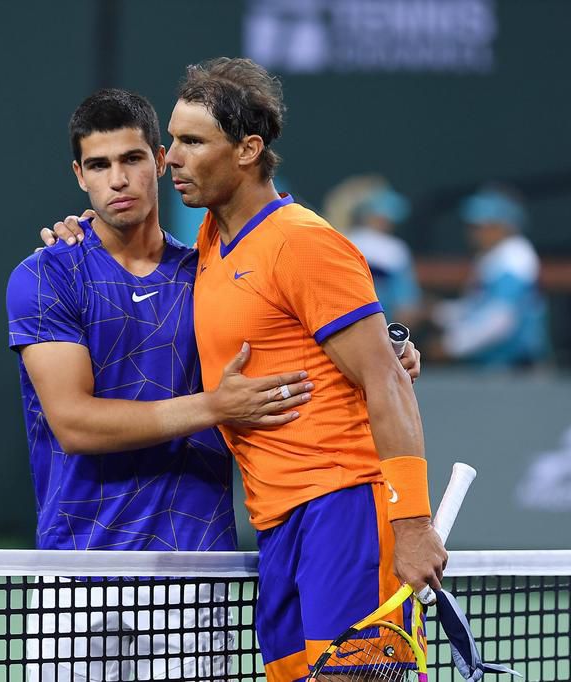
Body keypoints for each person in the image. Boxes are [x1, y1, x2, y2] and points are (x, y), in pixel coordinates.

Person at [167, 57, 443, 681]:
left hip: (345, 509)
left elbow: (387, 382)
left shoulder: (302, 241)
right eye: (172, 141)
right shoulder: (213, 238)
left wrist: (414, 524)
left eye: (192, 142)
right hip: (279, 522)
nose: (171, 158)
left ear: (248, 149)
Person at [429, 186, 547, 369]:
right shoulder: (491, 257)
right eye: (473, 227)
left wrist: (451, 345)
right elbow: (475, 307)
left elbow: (499, 319)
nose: (474, 233)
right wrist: (436, 312)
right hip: (492, 367)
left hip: (516, 369)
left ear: (504, 226)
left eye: (483, 227)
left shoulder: (515, 258)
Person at [323, 175, 421, 325]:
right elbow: (407, 307)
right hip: (378, 325)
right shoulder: (394, 248)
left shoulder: (340, 240)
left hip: (338, 323)